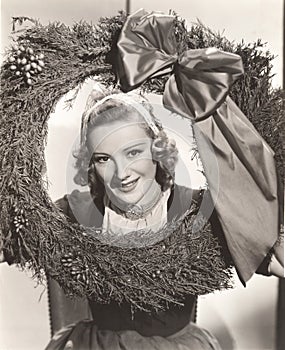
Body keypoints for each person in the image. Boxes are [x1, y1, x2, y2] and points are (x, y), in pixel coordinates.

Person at [44, 87, 283, 350]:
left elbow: (259, 244)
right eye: (103, 159)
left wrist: (267, 248)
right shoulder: (75, 211)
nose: (122, 173)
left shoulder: (196, 209)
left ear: (157, 148)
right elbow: (19, 235)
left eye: (133, 152)